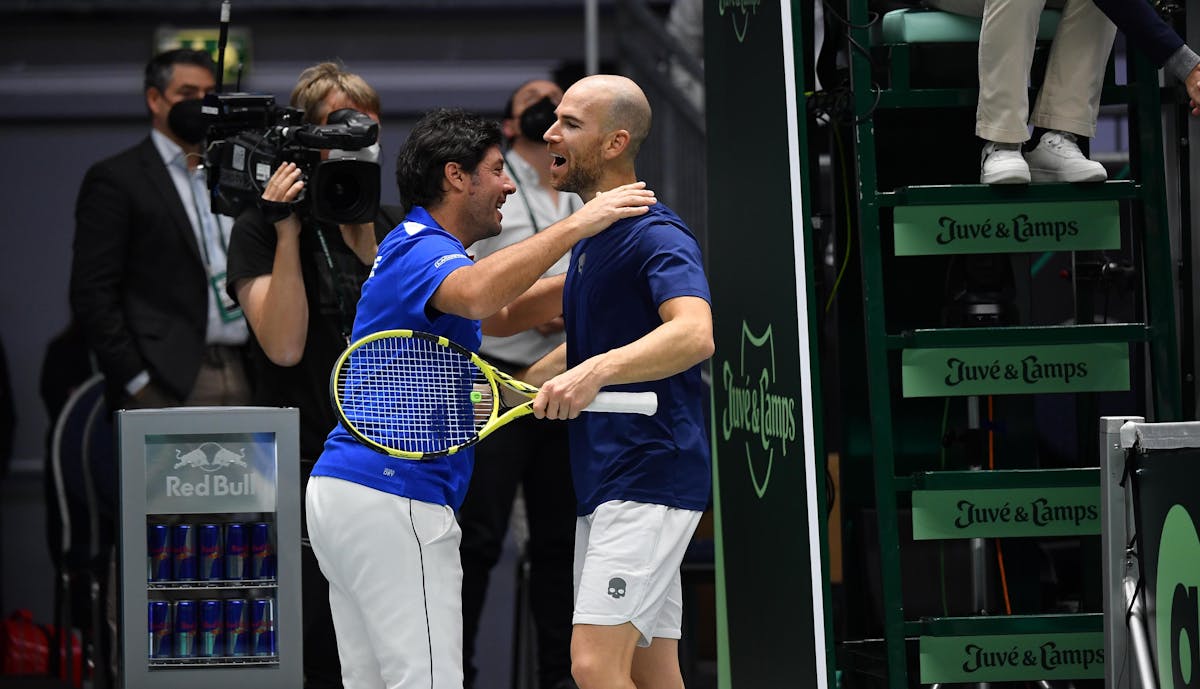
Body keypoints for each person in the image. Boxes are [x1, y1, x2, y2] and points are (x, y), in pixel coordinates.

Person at [304, 107, 657, 689]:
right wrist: (579, 225)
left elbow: (501, 312)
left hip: (347, 493)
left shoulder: (415, 247)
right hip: (395, 493)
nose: (511, 184)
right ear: (456, 176)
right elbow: (476, 297)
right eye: (497, 170)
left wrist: (593, 282)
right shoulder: (423, 247)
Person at [526, 74, 714, 689]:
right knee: (651, 670)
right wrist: (529, 383)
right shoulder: (590, 242)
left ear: (615, 143)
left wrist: (593, 371)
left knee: (593, 666)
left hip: (647, 476)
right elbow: (588, 347)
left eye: (570, 124)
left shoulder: (656, 233)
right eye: (555, 119)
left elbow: (694, 334)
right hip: (611, 481)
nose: (550, 133)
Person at [225, 61, 401, 689]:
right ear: (305, 138)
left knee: (386, 640)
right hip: (306, 461)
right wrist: (287, 230)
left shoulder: (388, 224)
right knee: (319, 640)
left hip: (390, 460)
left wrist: (359, 230)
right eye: (340, 126)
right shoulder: (259, 229)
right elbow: (284, 345)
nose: (358, 139)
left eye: (368, 126)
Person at [458, 79, 581, 689]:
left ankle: (557, 677)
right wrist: (538, 303)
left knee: (559, 541)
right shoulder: (497, 192)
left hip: (566, 382)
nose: (544, 106)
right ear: (510, 125)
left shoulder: (586, 194)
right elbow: (477, 282)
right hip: (497, 383)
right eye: (530, 99)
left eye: (554, 99)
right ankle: (459, 673)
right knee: (478, 537)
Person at [70, 48, 251, 411]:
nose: (200, 104)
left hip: (245, 366)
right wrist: (138, 383)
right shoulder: (118, 179)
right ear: (155, 98)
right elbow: (92, 292)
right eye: (187, 94)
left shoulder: (232, 171)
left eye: (208, 95)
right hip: (169, 376)